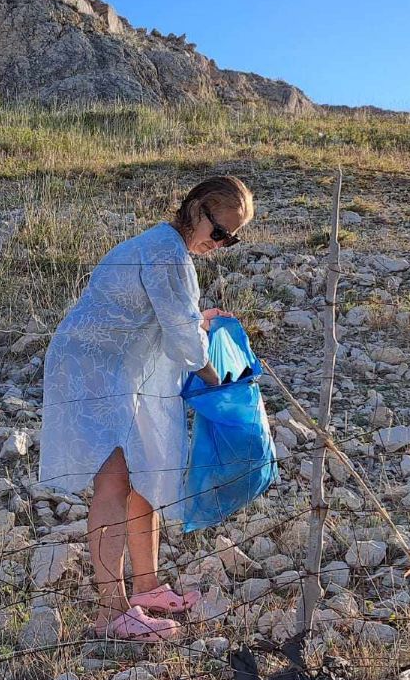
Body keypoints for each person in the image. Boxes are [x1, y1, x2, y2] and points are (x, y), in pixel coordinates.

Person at [38, 175, 254, 641]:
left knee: (146, 469)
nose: (220, 244)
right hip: (91, 369)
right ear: (195, 208)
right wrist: (218, 382)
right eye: (219, 231)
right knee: (114, 482)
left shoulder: (169, 251)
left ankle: (147, 587)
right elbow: (181, 333)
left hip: (119, 368)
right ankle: (111, 612)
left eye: (231, 239)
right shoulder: (165, 252)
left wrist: (198, 323)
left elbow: (168, 316)